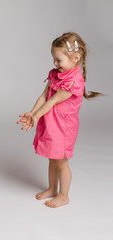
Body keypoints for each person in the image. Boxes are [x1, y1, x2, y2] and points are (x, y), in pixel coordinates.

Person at [17, 32, 101, 208]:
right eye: (54, 59)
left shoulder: (75, 81)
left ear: (76, 58)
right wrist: (32, 113)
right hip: (51, 123)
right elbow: (44, 96)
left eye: (58, 60)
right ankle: (52, 188)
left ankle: (64, 195)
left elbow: (53, 100)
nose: (55, 64)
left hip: (64, 128)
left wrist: (36, 115)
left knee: (61, 162)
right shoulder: (55, 74)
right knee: (52, 158)